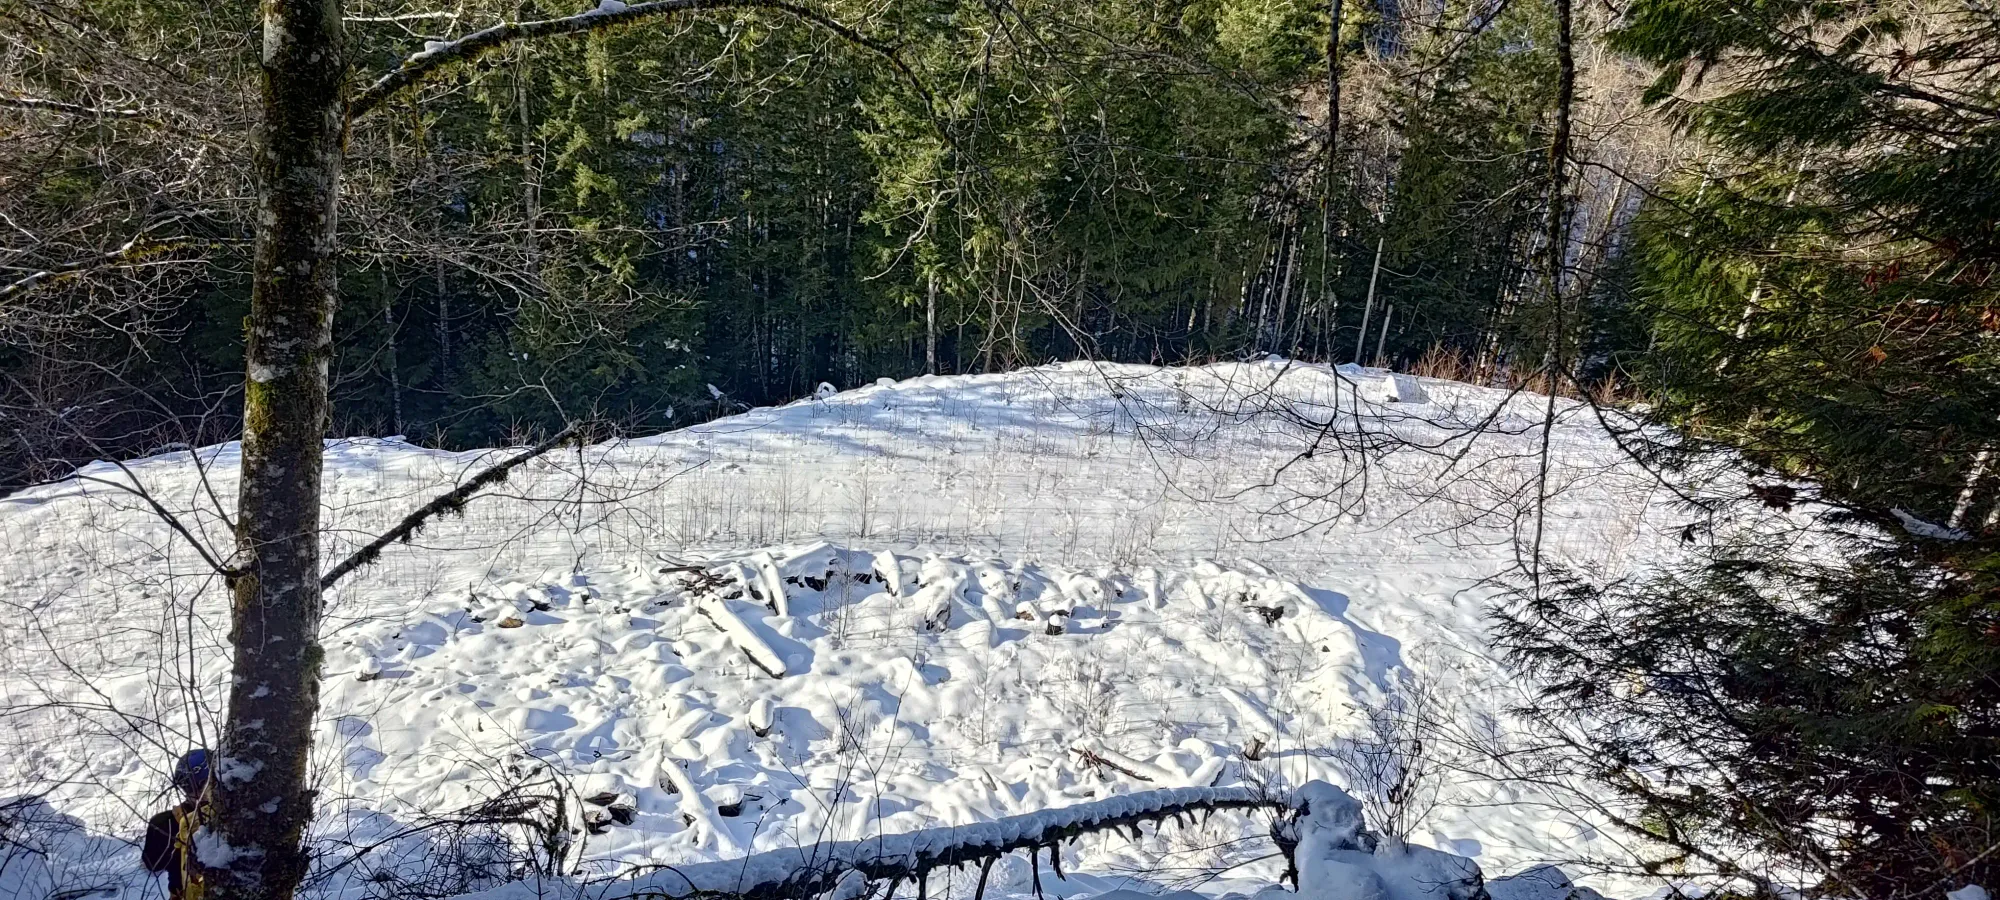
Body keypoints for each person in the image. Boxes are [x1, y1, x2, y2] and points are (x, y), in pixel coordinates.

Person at [143, 749, 212, 900]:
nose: (193, 792)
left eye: (199, 785)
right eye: (187, 786)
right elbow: (153, 864)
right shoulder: (167, 823)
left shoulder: (234, 814)